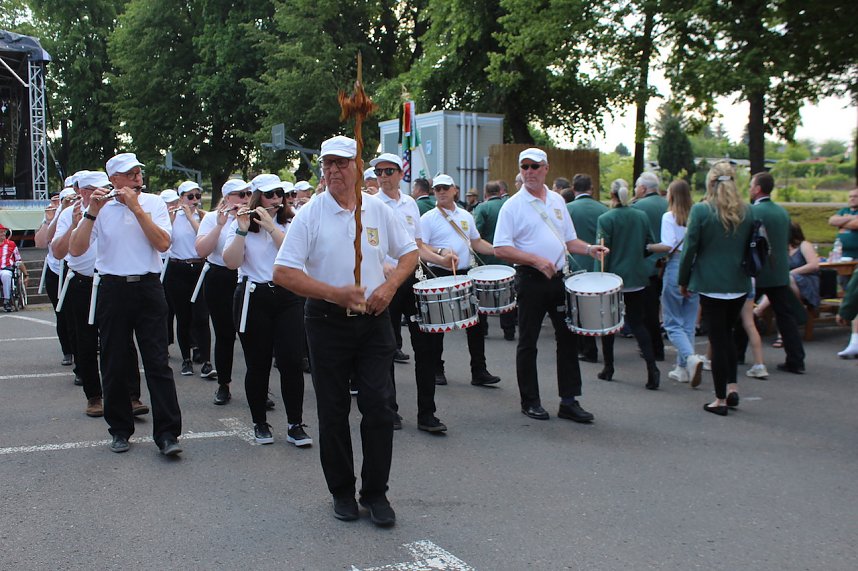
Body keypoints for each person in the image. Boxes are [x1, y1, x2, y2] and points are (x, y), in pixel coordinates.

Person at [274, 135, 418, 527]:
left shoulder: (377, 210)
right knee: (333, 409)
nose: (334, 170)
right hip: (326, 321)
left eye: (342, 163)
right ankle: (341, 491)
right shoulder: (311, 214)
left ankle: (376, 492)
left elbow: (409, 253)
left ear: (358, 166)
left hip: (374, 319)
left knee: (379, 406)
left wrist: (390, 287)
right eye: (328, 164)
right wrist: (333, 293)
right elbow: (283, 272)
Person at [69, 152, 183, 454]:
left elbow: (163, 243)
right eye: (130, 174)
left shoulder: (154, 203)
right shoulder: (100, 207)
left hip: (148, 286)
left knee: (157, 362)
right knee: (114, 361)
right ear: (114, 179)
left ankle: (168, 434)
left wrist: (136, 208)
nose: (137, 179)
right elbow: (76, 249)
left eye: (138, 173)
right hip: (112, 288)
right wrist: (91, 212)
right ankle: (120, 429)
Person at [493, 148, 608, 422]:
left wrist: (589, 249)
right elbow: (500, 248)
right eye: (524, 167)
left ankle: (569, 401)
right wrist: (535, 260)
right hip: (530, 280)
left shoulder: (557, 200)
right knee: (528, 341)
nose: (529, 172)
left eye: (535, 166)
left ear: (546, 168)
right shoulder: (512, 205)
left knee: (567, 339)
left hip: (557, 279)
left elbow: (568, 240)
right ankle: (530, 401)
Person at [51, 170, 149, 418]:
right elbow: (58, 251)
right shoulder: (69, 213)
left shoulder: (115, 208)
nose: (103, 192)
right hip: (83, 283)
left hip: (111, 282)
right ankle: (94, 396)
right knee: (85, 342)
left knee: (123, 341)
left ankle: (132, 396)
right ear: (83, 192)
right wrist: (75, 224)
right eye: (96, 189)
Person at [222, 175, 311, 447]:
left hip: (287, 296)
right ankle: (260, 422)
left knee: (291, 362)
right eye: (269, 194)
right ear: (257, 197)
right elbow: (231, 262)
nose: (275, 199)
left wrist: (272, 228)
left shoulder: (290, 223)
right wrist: (241, 230)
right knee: (258, 364)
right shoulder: (240, 223)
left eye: (279, 194)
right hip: (254, 295)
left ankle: (295, 424)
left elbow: (295, 255)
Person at [373, 152, 457, 432]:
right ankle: (389, 410)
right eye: (379, 172)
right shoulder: (371, 205)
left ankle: (427, 414)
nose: (383, 177)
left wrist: (441, 258)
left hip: (414, 279)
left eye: (388, 171)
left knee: (426, 348)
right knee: (386, 348)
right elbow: (366, 245)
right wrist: (382, 264)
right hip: (386, 282)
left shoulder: (410, 203)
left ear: (401, 174)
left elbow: (417, 245)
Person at [678, 160, 754, 416]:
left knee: (717, 339)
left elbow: (690, 248)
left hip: (710, 283)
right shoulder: (748, 211)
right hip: (738, 282)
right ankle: (732, 386)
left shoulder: (702, 210)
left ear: (710, 183)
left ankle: (720, 399)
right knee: (728, 336)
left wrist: (683, 279)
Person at [421, 174, 500, 387]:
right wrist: (440, 252)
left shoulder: (465, 215)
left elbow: (476, 242)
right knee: (439, 324)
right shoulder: (428, 218)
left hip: (465, 273)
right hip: (439, 274)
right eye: (437, 189)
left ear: (454, 190)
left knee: (475, 323)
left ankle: (479, 370)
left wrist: (498, 250)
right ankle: (436, 369)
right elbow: (421, 246)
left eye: (445, 188)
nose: (441, 192)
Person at [596, 180, 660, 389]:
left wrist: (599, 277)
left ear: (612, 195)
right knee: (638, 323)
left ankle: (608, 367)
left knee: (609, 324)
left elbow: (602, 253)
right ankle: (652, 367)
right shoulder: (641, 216)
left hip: (613, 278)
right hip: (637, 277)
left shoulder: (606, 218)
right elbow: (649, 244)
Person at [195, 179, 252, 405]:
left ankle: (259, 388)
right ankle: (223, 384)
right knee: (224, 334)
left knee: (253, 336)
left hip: (247, 277)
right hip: (220, 277)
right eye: (240, 194)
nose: (245, 198)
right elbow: (201, 250)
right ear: (227, 198)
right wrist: (219, 225)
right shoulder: (212, 218)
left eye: (248, 193)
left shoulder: (254, 216)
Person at [648, 179, 705, 386]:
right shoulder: (697, 215)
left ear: (671, 195)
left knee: (672, 321)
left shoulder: (669, 216)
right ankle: (683, 367)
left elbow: (668, 245)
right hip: (696, 268)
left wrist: (649, 247)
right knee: (688, 321)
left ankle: (689, 358)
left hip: (676, 266)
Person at [750, 171, 806, 374]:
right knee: (785, 316)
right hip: (780, 270)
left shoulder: (752, 211)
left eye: (751, 185)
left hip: (759, 270)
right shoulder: (782, 212)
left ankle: (737, 352)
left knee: (744, 313)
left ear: (757, 189)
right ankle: (796, 359)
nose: (750, 189)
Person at [165, 181, 214, 378]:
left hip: (199, 268)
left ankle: (207, 361)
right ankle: (186, 359)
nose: (194, 200)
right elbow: (164, 241)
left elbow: (203, 236)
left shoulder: (203, 217)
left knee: (201, 316)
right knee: (183, 316)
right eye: (190, 196)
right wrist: (171, 218)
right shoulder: (172, 217)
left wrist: (190, 216)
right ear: (181, 198)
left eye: (197, 196)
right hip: (177, 268)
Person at [566, 173, 609, 363]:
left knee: (577, 308)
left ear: (573, 189)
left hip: (575, 262)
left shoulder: (568, 209)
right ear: (591, 189)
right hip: (598, 262)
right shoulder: (604, 209)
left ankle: (585, 347)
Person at [754, 221, 820, 347]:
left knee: (786, 281)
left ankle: (758, 311)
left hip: (806, 281)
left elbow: (814, 265)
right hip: (787, 285)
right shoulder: (781, 247)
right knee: (779, 286)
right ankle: (781, 332)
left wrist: (791, 273)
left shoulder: (804, 245)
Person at [33, 187, 75, 364]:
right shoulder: (56, 214)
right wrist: (51, 218)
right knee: (61, 313)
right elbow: (41, 242)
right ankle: (68, 350)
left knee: (78, 314)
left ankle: (84, 349)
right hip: (56, 270)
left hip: (76, 270)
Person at [473, 180, 517, 340]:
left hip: (486, 257)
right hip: (508, 256)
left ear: (485, 193)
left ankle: (483, 329)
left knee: (482, 294)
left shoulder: (482, 208)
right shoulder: (510, 206)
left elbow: (476, 233)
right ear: (500, 192)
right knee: (507, 294)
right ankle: (509, 331)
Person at [631, 171, 667, 361]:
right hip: (669, 262)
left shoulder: (638, 207)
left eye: (637, 187)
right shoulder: (668, 203)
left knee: (648, 311)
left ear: (643, 188)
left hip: (648, 264)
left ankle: (653, 348)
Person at [1, 225, 28, 311]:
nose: (2, 234)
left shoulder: (11, 244)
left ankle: (7, 300)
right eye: (0, 232)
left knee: (6, 275)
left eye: (3, 232)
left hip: (6, 268)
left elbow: (18, 260)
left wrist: (26, 274)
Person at [828, 188, 858, 259]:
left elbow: (856, 225)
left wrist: (841, 223)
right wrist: (852, 217)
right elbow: (831, 221)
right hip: (842, 254)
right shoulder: (844, 210)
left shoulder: (843, 214)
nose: (852, 199)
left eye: (855, 196)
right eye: (850, 196)